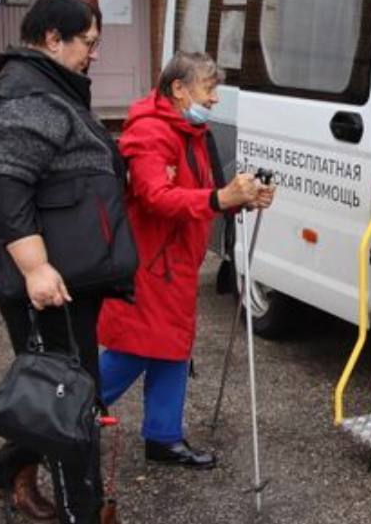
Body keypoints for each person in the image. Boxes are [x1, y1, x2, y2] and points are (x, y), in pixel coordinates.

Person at [0, 0, 130, 524]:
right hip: (49, 283)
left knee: (64, 389)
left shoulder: (50, 87)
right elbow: (8, 184)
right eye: (88, 42)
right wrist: (37, 267)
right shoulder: (29, 95)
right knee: (69, 399)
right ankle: (80, 512)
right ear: (51, 39)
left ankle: (15, 468)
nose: (94, 53)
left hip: (68, 278)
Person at [96, 52, 273, 468]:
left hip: (175, 263)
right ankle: (62, 415)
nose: (214, 99)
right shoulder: (151, 134)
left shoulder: (192, 132)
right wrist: (220, 198)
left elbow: (208, 194)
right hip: (150, 263)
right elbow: (155, 196)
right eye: (208, 89)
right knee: (136, 347)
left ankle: (163, 437)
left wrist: (242, 198)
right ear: (178, 88)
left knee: (172, 347)